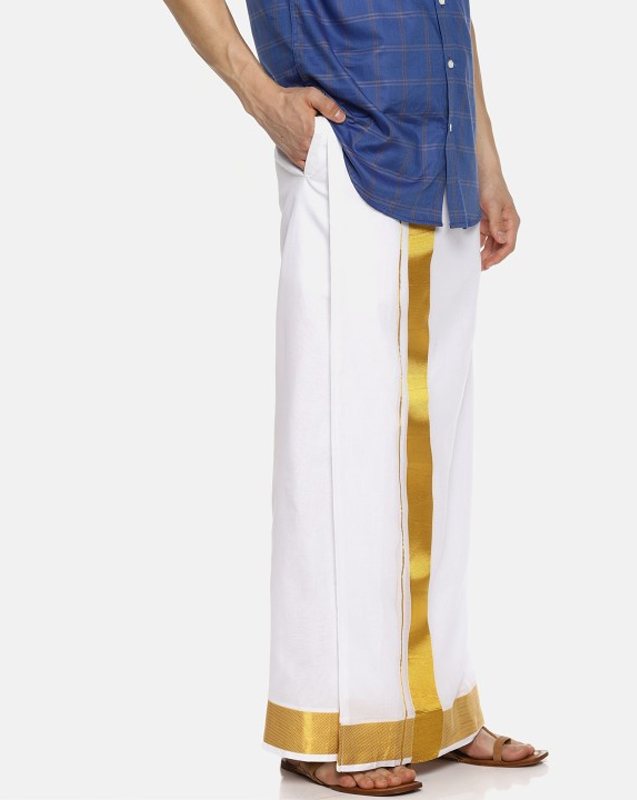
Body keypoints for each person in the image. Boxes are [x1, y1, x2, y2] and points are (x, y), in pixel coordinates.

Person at [163, 0, 547, 795]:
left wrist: (486, 159)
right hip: (350, 149)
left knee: (437, 462)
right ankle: (324, 726)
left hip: (443, 159)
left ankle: (437, 710)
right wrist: (261, 96)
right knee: (337, 446)